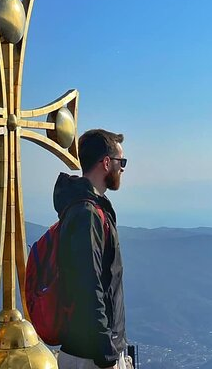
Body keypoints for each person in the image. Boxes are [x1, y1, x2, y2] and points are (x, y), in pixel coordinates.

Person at [55, 129, 128, 369]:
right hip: (91, 357)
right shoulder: (87, 214)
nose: (123, 168)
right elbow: (88, 285)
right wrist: (106, 355)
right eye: (121, 162)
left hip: (90, 351)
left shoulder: (86, 209)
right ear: (107, 163)